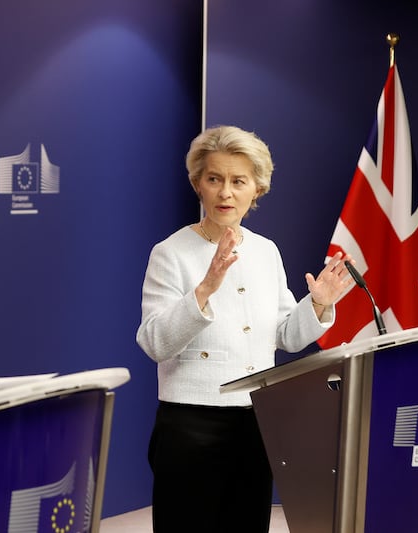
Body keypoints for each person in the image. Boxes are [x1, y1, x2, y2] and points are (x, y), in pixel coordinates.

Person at [135, 125, 353, 532]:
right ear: (197, 184)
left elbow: (287, 335)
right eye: (214, 179)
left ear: (257, 189)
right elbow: (154, 342)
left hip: (256, 421)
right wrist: (204, 290)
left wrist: (319, 302)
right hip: (190, 425)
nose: (225, 193)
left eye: (238, 181)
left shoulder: (266, 250)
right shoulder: (170, 253)